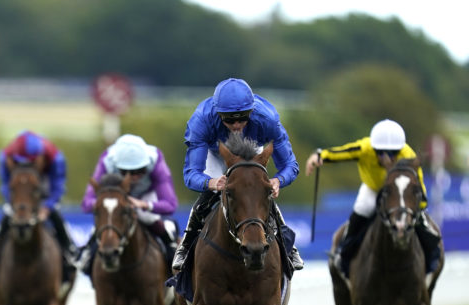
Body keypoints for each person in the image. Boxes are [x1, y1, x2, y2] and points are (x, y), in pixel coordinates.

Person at [173, 77, 304, 272]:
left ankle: (288, 246)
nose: (236, 125)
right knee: (209, 195)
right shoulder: (201, 119)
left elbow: (290, 165)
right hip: (215, 153)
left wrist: (278, 180)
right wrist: (212, 182)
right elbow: (191, 174)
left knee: (259, 191)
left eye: (243, 117)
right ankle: (186, 244)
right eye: (229, 119)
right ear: (218, 114)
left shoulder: (267, 119)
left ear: (252, 112)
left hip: (251, 151)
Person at [305, 119, 442, 277]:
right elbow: (342, 152)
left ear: (400, 150)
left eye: (392, 153)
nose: (387, 158)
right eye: (381, 152)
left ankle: (433, 255)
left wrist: (420, 206)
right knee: (360, 213)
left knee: (419, 220)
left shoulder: (407, 155)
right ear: (374, 148)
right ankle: (343, 253)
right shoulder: (365, 148)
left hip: (398, 192)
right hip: (372, 189)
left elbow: (418, 185)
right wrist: (319, 156)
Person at [0, 130, 78, 284]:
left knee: (56, 215)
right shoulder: (5, 156)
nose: (26, 165)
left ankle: (69, 252)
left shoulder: (55, 158)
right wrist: (14, 204)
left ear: (40, 159)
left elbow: (58, 188)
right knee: (7, 217)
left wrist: (46, 208)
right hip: (20, 193)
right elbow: (6, 187)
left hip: (43, 190)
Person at [79, 134, 179, 277]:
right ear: (116, 166)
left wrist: (144, 204)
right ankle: (87, 257)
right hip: (116, 199)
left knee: (150, 219)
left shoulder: (156, 161)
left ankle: (172, 254)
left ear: (147, 164)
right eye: (126, 172)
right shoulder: (106, 161)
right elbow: (86, 203)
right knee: (105, 223)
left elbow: (170, 204)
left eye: (140, 170)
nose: (134, 177)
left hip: (145, 196)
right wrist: (109, 204)